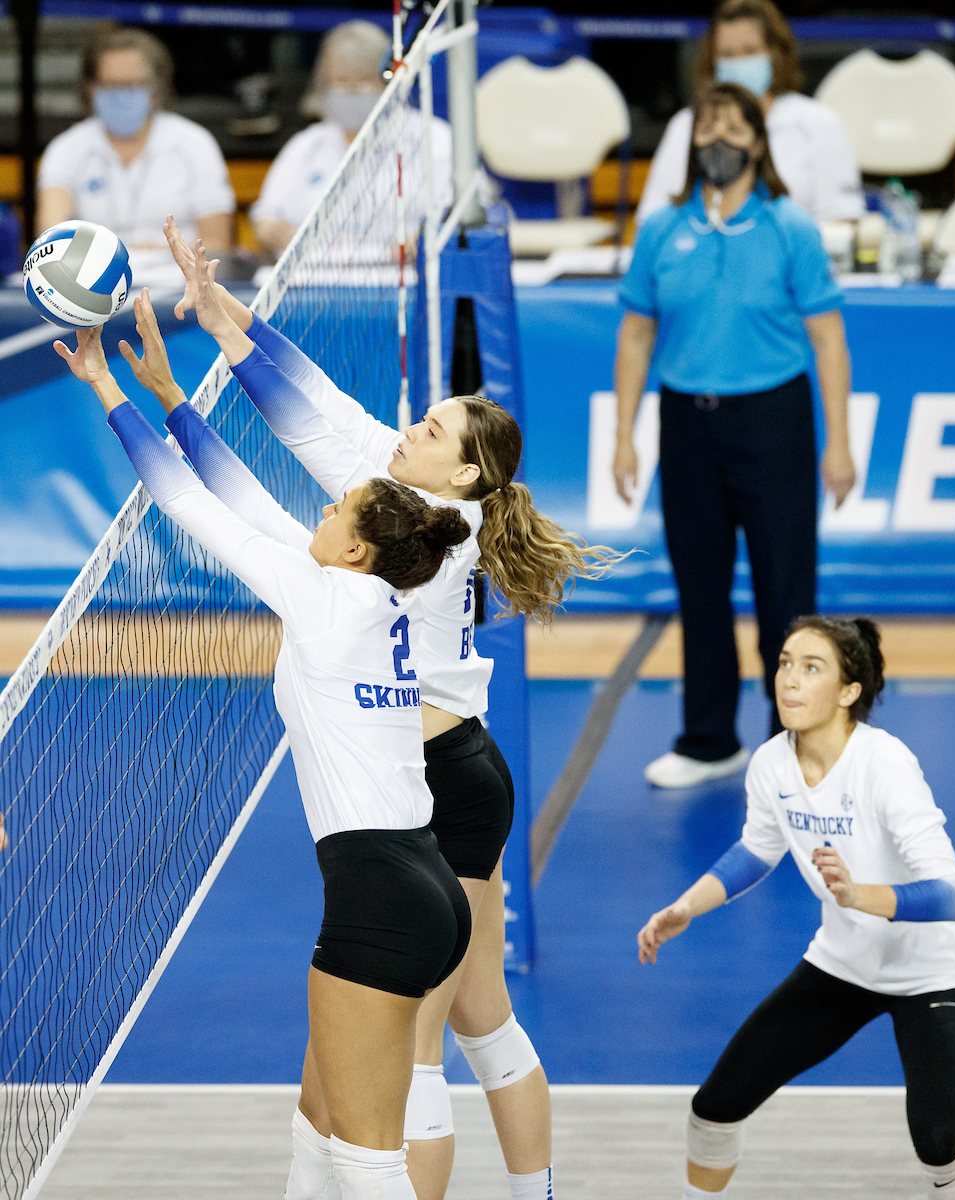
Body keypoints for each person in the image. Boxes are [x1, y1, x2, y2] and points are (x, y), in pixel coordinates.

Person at [163, 217, 623, 1200]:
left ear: (459, 471)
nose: (408, 428)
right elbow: (314, 404)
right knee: (479, 1016)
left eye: (430, 429)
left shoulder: (431, 526)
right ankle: (533, 1192)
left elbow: (305, 429)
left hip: (444, 790)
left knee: (416, 1048)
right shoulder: (428, 494)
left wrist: (204, 353)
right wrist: (221, 313)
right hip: (460, 767)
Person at [55, 299, 473, 1200]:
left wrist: (104, 389)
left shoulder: (325, 599)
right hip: (421, 884)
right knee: (319, 1132)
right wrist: (167, 394)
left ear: (357, 546)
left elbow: (188, 503)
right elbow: (242, 497)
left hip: (381, 896)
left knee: (365, 1158)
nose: (319, 507)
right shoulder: (372, 592)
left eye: (336, 507)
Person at [638, 616, 955, 1199]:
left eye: (811, 668)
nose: (789, 679)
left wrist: (862, 897)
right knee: (716, 1105)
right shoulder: (772, 762)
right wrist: (688, 906)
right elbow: (757, 850)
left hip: (933, 972)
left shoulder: (884, 764)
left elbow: (950, 892)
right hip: (844, 964)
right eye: (785, 662)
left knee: (941, 1142)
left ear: (848, 691)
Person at [613, 81, 856, 791]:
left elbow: (830, 339)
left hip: (774, 418)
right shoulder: (662, 229)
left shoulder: (789, 228)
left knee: (787, 591)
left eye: (733, 129)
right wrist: (625, 436)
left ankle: (800, 743)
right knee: (700, 586)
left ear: (758, 142)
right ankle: (709, 737)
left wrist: (837, 441)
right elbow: (635, 333)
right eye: (706, 128)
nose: (718, 142)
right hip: (687, 420)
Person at [37, 27, 234, 287]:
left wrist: (166, 253)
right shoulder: (66, 148)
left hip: (178, 290)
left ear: (155, 90)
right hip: (94, 286)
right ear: (91, 89)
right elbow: (50, 235)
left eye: (132, 85)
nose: (120, 95)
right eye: (109, 86)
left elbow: (218, 245)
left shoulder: (195, 143)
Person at [638, 0, 863, 226]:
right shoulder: (685, 126)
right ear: (712, 60)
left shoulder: (819, 123)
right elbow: (652, 223)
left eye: (750, 51)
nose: (738, 62)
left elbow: (841, 223)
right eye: (726, 53)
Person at [251, 20, 452, 260]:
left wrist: (424, 242)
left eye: (365, 81)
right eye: (342, 82)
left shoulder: (435, 139)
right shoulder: (306, 146)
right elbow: (266, 218)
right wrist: (272, 230)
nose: (353, 91)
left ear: (390, 81)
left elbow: (453, 221)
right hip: (314, 282)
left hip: (406, 278)